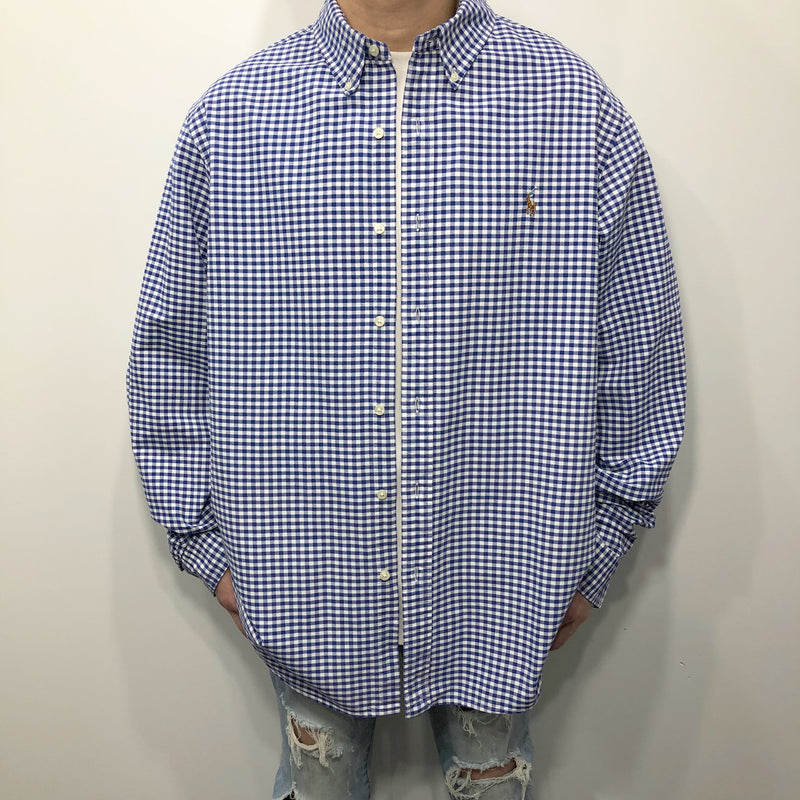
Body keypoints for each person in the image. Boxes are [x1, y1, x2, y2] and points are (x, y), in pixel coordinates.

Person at [127, 0, 687, 796]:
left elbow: (643, 341)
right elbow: (169, 347)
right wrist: (206, 543)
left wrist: (599, 546)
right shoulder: (235, 119)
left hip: (501, 576)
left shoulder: (568, 106)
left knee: (492, 782)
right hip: (306, 577)